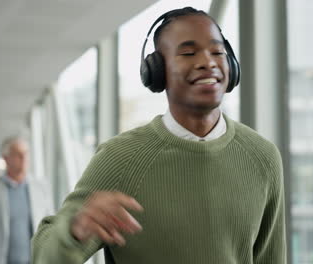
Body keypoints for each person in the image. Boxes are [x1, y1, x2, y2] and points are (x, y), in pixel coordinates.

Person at [32, 7, 286, 264]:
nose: (208, 62)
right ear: (157, 71)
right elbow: (43, 256)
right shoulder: (121, 158)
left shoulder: (262, 157)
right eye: (188, 53)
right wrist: (74, 229)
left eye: (217, 52)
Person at [0, 136, 53, 264]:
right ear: (6, 158)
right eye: (18, 154)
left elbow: (51, 229)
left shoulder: (41, 188)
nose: (24, 158)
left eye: (26, 154)